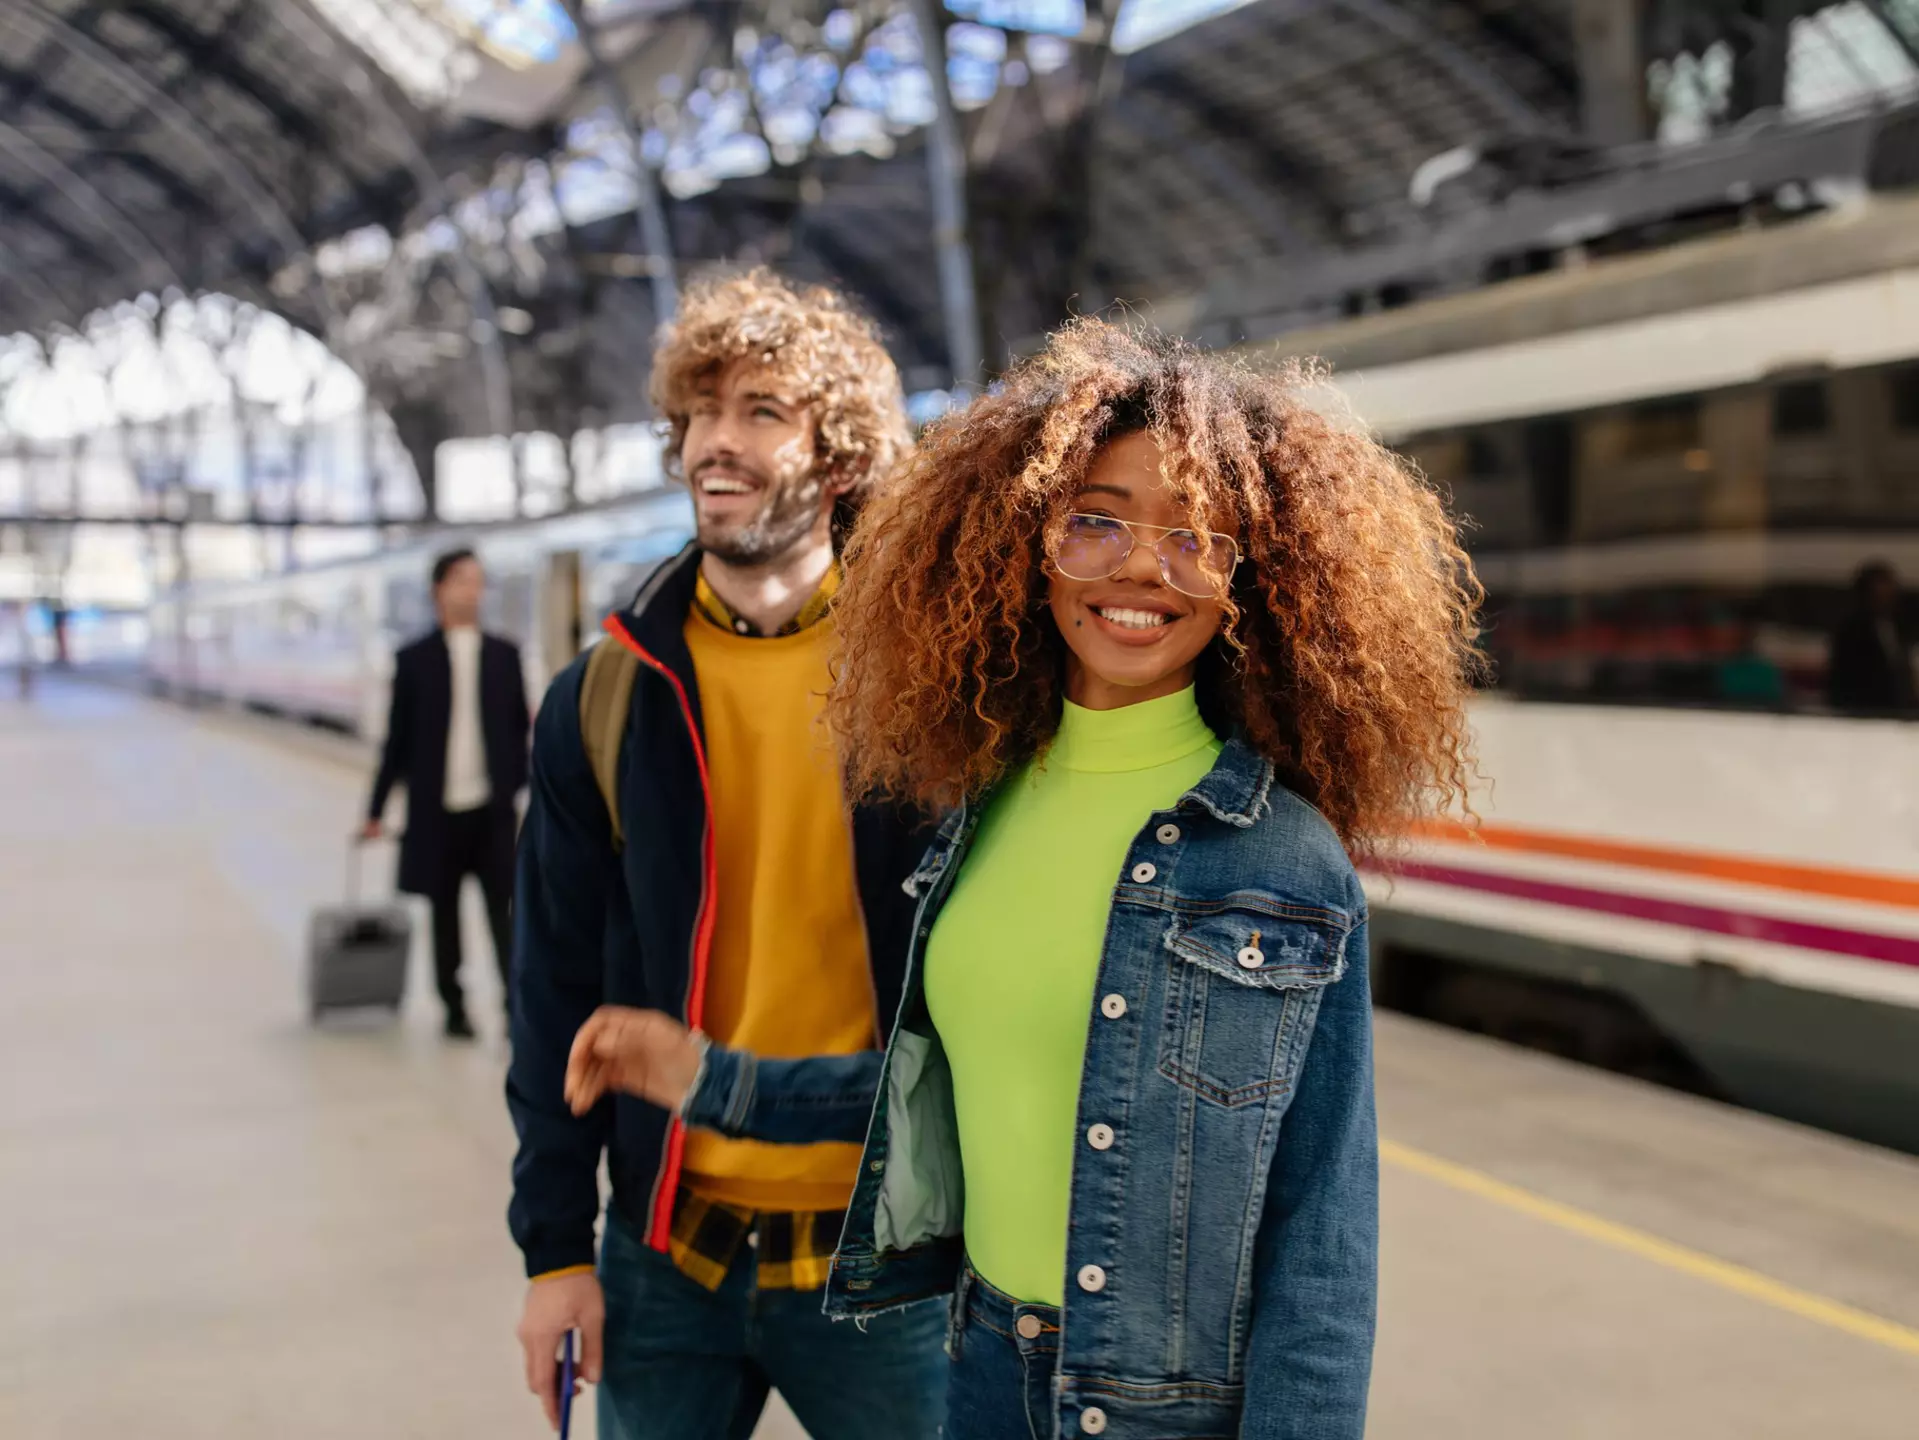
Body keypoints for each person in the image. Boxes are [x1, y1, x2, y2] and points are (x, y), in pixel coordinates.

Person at [563, 321, 1483, 1440]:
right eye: (1094, 521)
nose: (1141, 567)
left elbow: (1322, 1241)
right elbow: (947, 1096)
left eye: (1199, 537)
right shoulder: (969, 813)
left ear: (1260, 580)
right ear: (1022, 541)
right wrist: (715, 1082)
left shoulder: (1284, 863)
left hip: (1158, 1410)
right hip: (976, 1370)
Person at [507, 270, 947, 1439]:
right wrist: (552, 1249)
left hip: (889, 1248)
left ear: (840, 458)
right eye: (698, 413)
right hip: (668, 1249)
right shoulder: (607, 695)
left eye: (760, 410)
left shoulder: (932, 690)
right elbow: (551, 987)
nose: (715, 440)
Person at [364, 548, 529, 1039]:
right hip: (436, 816)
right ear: (439, 589)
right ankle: (454, 1010)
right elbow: (397, 742)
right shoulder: (414, 660)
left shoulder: (505, 655)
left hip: (493, 814)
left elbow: (521, 728)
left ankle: (514, 1009)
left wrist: (515, 787)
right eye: (461, 581)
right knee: (444, 918)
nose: (471, 591)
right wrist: (375, 810)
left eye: (478, 582)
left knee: (506, 916)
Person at [1826, 561, 1916, 715]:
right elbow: (1843, 680)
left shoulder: (1899, 627)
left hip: (1900, 712)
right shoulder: (1851, 631)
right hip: (1865, 712)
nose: (1887, 596)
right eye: (1879, 593)